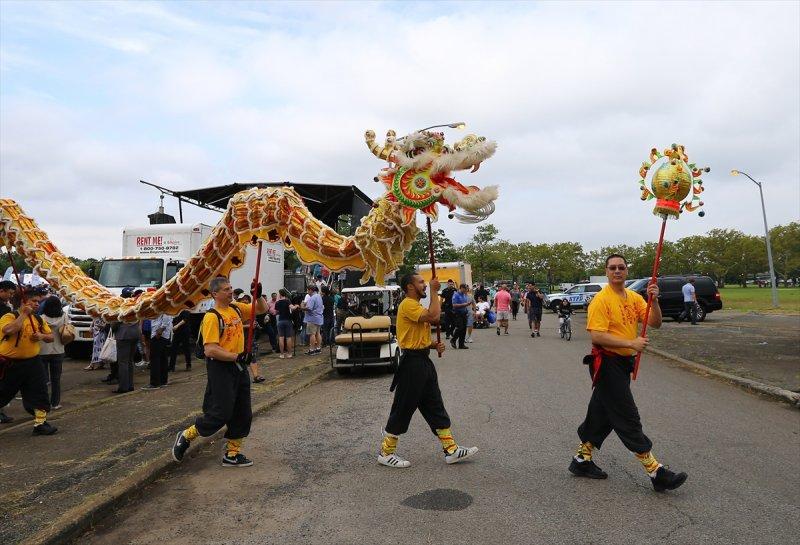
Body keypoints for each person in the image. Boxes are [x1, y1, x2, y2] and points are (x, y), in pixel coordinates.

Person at [570, 254, 687, 492]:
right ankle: (656, 472)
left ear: (626, 271)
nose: (617, 271)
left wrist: (653, 301)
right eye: (612, 268)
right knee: (627, 416)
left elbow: (655, 323)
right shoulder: (601, 300)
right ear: (606, 271)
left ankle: (581, 460)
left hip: (622, 365)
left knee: (601, 414)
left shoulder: (633, 297)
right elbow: (597, 336)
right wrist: (631, 343)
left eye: (621, 267)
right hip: (607, 364)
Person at [377, 273, 478, 468]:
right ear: (410, 287)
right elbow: (434, 318)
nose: (425, 285)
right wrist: (434, 291)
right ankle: (385, 452)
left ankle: (451, 449)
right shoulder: (407, 304)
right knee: (403, 407)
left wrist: (432, 345)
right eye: (421, 282)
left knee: (434, 404)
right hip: (412, 365)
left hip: (422, 362)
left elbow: (416, 335)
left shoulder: (416, 306)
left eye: (425, 283)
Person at [172, 277, 268, 467]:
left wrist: (257, 295)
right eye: (226, 289)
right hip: (221, 368)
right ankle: (186, 435)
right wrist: (236, 357)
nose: (230, 291)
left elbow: (261, 309)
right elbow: (210, 350)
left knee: (243, 412)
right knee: (220, 413)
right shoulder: (211, 317)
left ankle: (232, 454)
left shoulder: (236, 308)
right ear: (215, 294)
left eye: (231, 288)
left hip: (239, 367)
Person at [0, 287, 57, 435]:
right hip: (10, 364)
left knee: (40, 393)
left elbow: (51, 337)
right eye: (34, 301)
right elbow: (9, 330)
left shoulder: (38, 319)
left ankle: (40, 424)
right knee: (3, 394)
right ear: (23, 301)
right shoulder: (9, 316)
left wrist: (41, 336)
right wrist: (24, 314)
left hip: (33, 363)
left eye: (39, 302)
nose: (37, 304)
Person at [39, 296, 67, 409]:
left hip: (43, 350)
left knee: (43, 380)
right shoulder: (64, 316)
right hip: (58, 350)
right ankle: (55, 403)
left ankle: (44, 403)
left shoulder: (40, 318)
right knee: (56, 379)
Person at [112, 287, 141, 393]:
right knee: (130, 361)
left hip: (123, 335)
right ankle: (130, 385)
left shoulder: (122, 306)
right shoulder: (136, 304)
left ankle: (123, 387)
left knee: (123, 362)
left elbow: (116, 321)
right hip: (134, 334)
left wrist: (112, 326)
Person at [143, 312, 172, 390]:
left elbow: (166, 316)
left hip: (159, 335)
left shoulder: (164, 303)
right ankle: (163, 381)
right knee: (162, 358)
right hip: (161, 334)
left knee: (155, 359)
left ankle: (155, 383)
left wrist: (160, 330)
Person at [0, 280, 16, 423]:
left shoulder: (6, 306)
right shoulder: (4, 310)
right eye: (9, 293)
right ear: (2, 291)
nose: (10, 296)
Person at [275, 289, 298, 359]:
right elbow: (292, 308)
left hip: (280, 321)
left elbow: (276, 311)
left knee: (281, 338)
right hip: (288, 321)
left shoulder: (277, 302)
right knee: (288, 338)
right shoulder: (287, 301)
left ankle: (282, 354)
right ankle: (289, 354)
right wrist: (296, 306)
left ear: (280, 294)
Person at [301, 285, 323, 355]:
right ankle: (318, 348)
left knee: (312, 334)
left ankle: (312, 350)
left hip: (312, 318)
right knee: (318, 333)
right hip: (319, 317)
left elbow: (309, 308)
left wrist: (302, 306)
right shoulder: (319, 296)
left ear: (310, 290)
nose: (307, 292)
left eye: (308, 290)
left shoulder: (312, 298)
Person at [450, 283, 470, 349]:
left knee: (464, 329)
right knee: (460, 327)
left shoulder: (464, 295)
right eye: (465, 289)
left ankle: (461, 344)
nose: (466, 290)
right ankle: (453, 339)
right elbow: (454, 305)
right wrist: (464, 305)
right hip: (457, 313)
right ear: (461, 288)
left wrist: (466, 309)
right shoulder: (456, 295)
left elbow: (465, 304)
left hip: (464, 313)